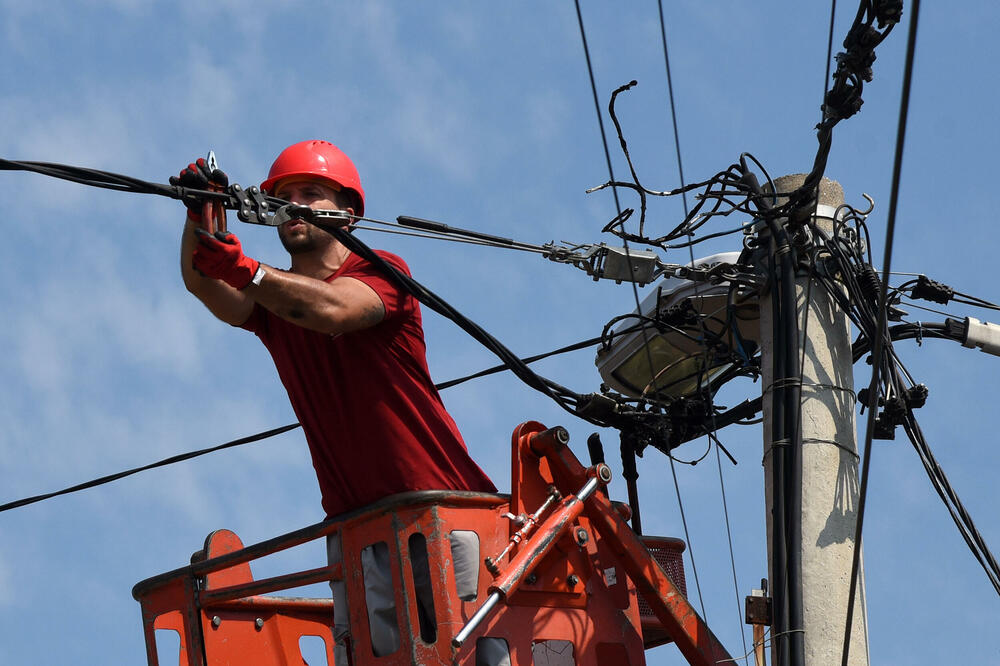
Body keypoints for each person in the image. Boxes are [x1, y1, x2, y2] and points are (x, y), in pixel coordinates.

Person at [174, 139, 497, 658]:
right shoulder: (271, 305)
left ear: (348, 214)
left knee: (472, 654)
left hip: (444, 512)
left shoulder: (383, 272)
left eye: (311, 192)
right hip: (358, 529)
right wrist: (200, 213)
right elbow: (202, 283)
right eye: (283, 194)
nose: (293, 203)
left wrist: (246, 271)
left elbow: (330, 311)